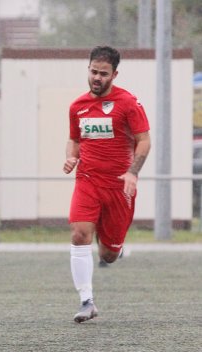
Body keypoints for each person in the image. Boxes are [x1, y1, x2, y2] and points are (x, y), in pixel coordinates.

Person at [62, 46, 151, 323]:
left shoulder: (128, 103)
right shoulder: (77, 106)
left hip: (118, 187)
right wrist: (70, 157)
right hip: (87, 180)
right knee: (79, 233)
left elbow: (144, 141)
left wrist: (133, 172)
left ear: (114, 74)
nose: (97, 78)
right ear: (87, 69)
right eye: (93, 72)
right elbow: (75, 139)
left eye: (103, 73)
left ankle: (116, 247)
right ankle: (86, 301)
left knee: (108, 254)